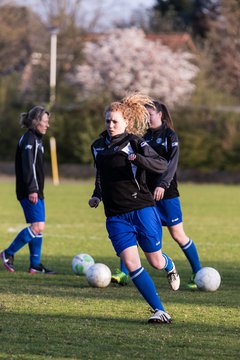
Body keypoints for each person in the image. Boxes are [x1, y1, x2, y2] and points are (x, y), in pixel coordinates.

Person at [88, 93, 180, 324]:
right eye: (108, 120)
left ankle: (169, 265)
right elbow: (101, 173)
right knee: (131, 264)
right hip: (116, 216)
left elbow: (161, 164)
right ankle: (159, 310)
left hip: (142, 209)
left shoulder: (136, 142)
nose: (110, 125)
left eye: (115, 121)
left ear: (126, 122)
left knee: (156, 262)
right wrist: (97, 195)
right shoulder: (97, 146)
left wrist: (135, 158)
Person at [112, 100, 201, 289]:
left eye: (150, 114)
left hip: (167, 193)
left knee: (177, 234)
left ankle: (198, 273)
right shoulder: (142, 137)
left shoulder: (170, 135)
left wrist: (163, 184)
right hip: (144, 194)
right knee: (133, 229)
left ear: (160, 114)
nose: (147, 118)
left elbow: (171, 164)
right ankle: (123, 272)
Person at [1, 106, 54, 274]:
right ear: (35, 122)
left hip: (37, 190)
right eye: (45, 121)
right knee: (37, 227)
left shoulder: (37, 139)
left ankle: (35, 265)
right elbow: (28, 166)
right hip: (30, 190)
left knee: (38, 226)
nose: (47, 125)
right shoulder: (29, 139)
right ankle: (7, 253)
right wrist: (32, 189)